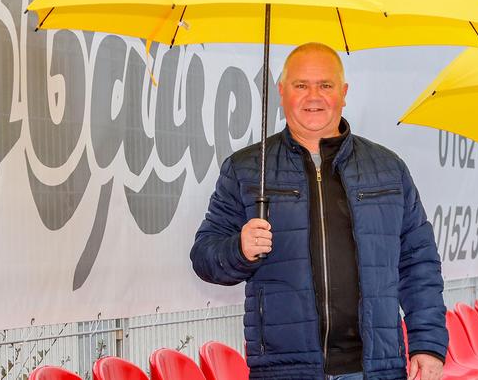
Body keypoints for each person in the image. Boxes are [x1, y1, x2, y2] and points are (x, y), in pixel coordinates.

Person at [191, 42, 447, 380]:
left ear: (343, 93)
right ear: (282, 92)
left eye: (325, 85)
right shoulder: (247, 170)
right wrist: (238, 249)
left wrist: (427, 345)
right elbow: (204, 257)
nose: (314, 96)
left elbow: (419, 263)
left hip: (375, 369)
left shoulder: (388, 169)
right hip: (284, 369)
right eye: (301, 85)